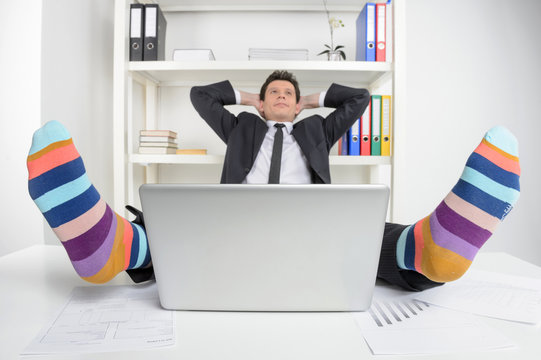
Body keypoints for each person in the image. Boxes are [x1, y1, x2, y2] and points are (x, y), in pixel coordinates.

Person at [27, 70, 521, 291]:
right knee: (175, 229)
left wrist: (310, 101)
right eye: (274, 93)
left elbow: (360, 102)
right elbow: (201, 96)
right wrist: (250, 99)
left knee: (370, 235)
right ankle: (113, 247)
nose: (282, 96)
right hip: (233, 222)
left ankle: (430, 250)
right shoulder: (241, 124)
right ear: (260, 103)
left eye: (289, 92)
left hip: (313, 226)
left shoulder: (316, 128)